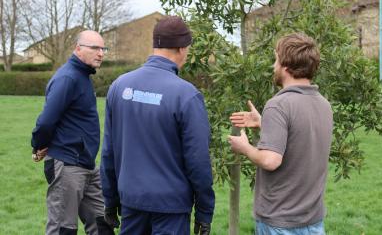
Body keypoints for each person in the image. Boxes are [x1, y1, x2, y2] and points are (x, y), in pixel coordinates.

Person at [100, 16, 215, 235]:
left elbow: (109, 152)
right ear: (182, 49)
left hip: (131, 202)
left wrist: (110, 200)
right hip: (170, 208)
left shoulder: (119, 87)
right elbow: (198, 160)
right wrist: (204, 212)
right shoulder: (187, 95)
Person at [228, 33, 333, 235]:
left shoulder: (279, 105)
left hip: (280, 221)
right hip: (313, 220)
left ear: (285, 66)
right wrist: (264, 124)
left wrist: (245, 147)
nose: (273, 66)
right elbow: (299, 140)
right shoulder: (323, 104)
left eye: (276, 60)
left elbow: (270, 160)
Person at [31, 30, 114, 235]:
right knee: (63, 229)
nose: (101, 53)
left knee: (102, 224)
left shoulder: (82, 76)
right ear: (78, 49)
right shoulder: (68, 78)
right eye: (95, 48)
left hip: (87, 165)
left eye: (103, 48)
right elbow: (46, 121)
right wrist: (38, 145)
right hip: (68, 164)